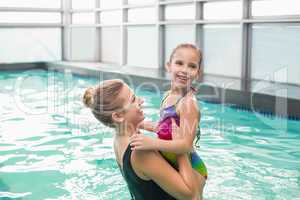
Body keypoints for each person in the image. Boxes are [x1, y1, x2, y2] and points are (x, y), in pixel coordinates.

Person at [83, 79, 201, 200]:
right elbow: (192, 196)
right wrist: (179, 147)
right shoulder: (141, 152)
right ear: (118, 116)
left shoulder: (119, 139)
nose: (141, 100)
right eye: (133, 99)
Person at [130, 43, 207, 199]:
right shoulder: (168, 96)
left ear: (198, 73)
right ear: (168, 66)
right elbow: (166, 129)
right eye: (179, 63)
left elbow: (185, 144)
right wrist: (143, 125)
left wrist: (152, 143)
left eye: (192, 66)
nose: (184, 70)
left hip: (192, 167)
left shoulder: (188, 104)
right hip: (173, 160)